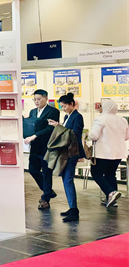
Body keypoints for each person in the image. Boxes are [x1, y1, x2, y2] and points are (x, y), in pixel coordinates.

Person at [47, 92, 85, 222]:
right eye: (62, 107)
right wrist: (59, 126)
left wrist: (58, 126)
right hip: (66, 151)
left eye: (65, 106)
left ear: (71, 104)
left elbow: (74, 134)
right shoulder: (67, 116)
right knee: (65, 179)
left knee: (68, 179)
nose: (63, 109)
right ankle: (72, 207)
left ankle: (74, 210)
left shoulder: (77, 117)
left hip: (72, 152)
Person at [87, 98, 129, 208]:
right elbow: (126, 137)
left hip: (103, 153)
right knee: (110, 174)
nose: (99, 108)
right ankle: (112, 200)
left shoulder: (100, 119)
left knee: (96, 173)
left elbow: (94, 135)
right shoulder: (123, 120)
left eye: (100, 106)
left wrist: (88, 134)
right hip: (118, 153)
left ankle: (111, 193)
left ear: (105, 107)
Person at [23, 90, 60, 209]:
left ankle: (45, 199)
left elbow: (50, 128)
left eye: (39, 99)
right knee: (33, 170)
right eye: (34, 99)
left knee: (46, 173)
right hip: (34, 147)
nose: (36, 101)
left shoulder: (53, 111)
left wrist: (35, 135)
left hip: (47, 147)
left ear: (46, 98)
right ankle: (48, 191)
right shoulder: (33, 112)